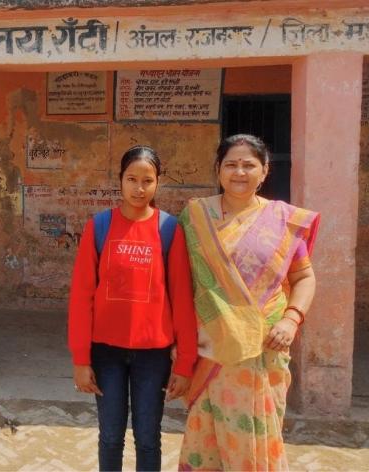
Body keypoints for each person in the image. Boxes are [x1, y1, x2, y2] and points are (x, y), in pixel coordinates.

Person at [177, 134, 319, 471]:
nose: (239, 172)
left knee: (258, 439)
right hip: (212, 352)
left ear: (265, 170)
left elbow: (304, 278)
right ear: (218, 169)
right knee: (207, 442)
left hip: (265, 350)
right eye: (231, 164)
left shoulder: (283, 222)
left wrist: (291, 319)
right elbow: (181, 286)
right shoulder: (196, 218)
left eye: (249, 165)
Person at [68, 145, 198, 472]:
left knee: (149, 438)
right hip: (106, 352)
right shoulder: (98, 227)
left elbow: (182, 298)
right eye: (132, 179)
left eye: (147, 181)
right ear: (120, 180)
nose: (139, 188)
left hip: (153, 354)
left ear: (158, 183)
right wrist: (81, 360)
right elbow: (82, 298)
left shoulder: (169, 229)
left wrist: (184, 363)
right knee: (110, 436)